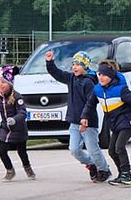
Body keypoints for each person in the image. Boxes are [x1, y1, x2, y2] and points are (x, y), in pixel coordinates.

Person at [81, 60, 131, 187]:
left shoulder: (121, 90)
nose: (101, 77)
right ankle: (121, 174)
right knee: (112, 151)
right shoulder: (97, 90)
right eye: (99, 74)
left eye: (104, 75)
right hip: (115, 124)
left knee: (119, 147)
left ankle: (127, 175)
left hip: (128, 123)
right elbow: (89, 105)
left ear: (111, 76)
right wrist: (84, 117)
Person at [46, 50, 111, 182]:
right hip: (74, 122)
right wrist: (49, 62)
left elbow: (91, 102)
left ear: (85, 66)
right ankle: (92, 164)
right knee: (74, 149)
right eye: (73, 64)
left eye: (78, 64)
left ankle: (104, 169)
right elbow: (57, 74)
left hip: (88, 123)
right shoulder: (71, 78)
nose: (74, 67)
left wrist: (84, 119)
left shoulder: (89, 82)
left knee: (93, 149)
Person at [0, 65, 35, 182]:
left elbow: (22, 113)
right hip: (5, 129)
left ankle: (27, 167)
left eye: (3, 83)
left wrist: (15, 119)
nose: (0, 85)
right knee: (2, 151)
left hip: (19, 129)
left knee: (21, 151)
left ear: (9, 84)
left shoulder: (17, 96)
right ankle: (9, 170)